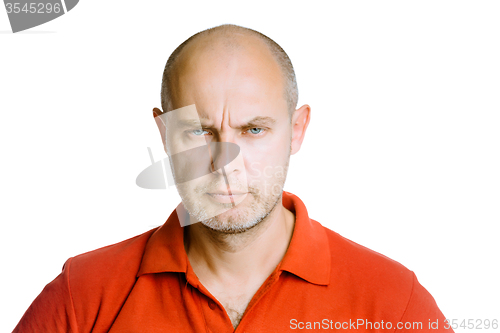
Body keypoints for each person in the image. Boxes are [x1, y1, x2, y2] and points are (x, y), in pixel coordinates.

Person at [14, 24, 453, 332]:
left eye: (254, 130)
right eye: (200, 132)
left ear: (297, 130)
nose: (226, 164)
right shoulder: (82, 296)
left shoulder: (394, 302)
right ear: (164, 135)